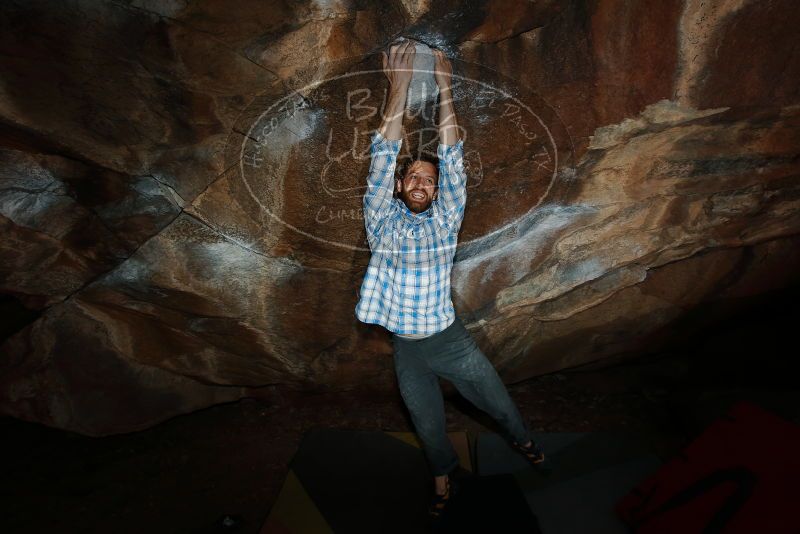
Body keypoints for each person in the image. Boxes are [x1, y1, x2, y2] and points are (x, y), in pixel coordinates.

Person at [355, 40, 546, 518]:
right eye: (413, 178)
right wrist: (397, 87)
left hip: (449, 339)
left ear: (437, 192)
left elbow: (452, 156)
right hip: (407, 347)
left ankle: (521, 438)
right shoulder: (381, 221)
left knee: (497, 402)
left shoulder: (445, 222)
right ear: (400, 187)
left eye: (429, 181)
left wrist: (444, 84)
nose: (421, 183)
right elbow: (382, 156)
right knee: (427, 423)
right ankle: (442, 478)